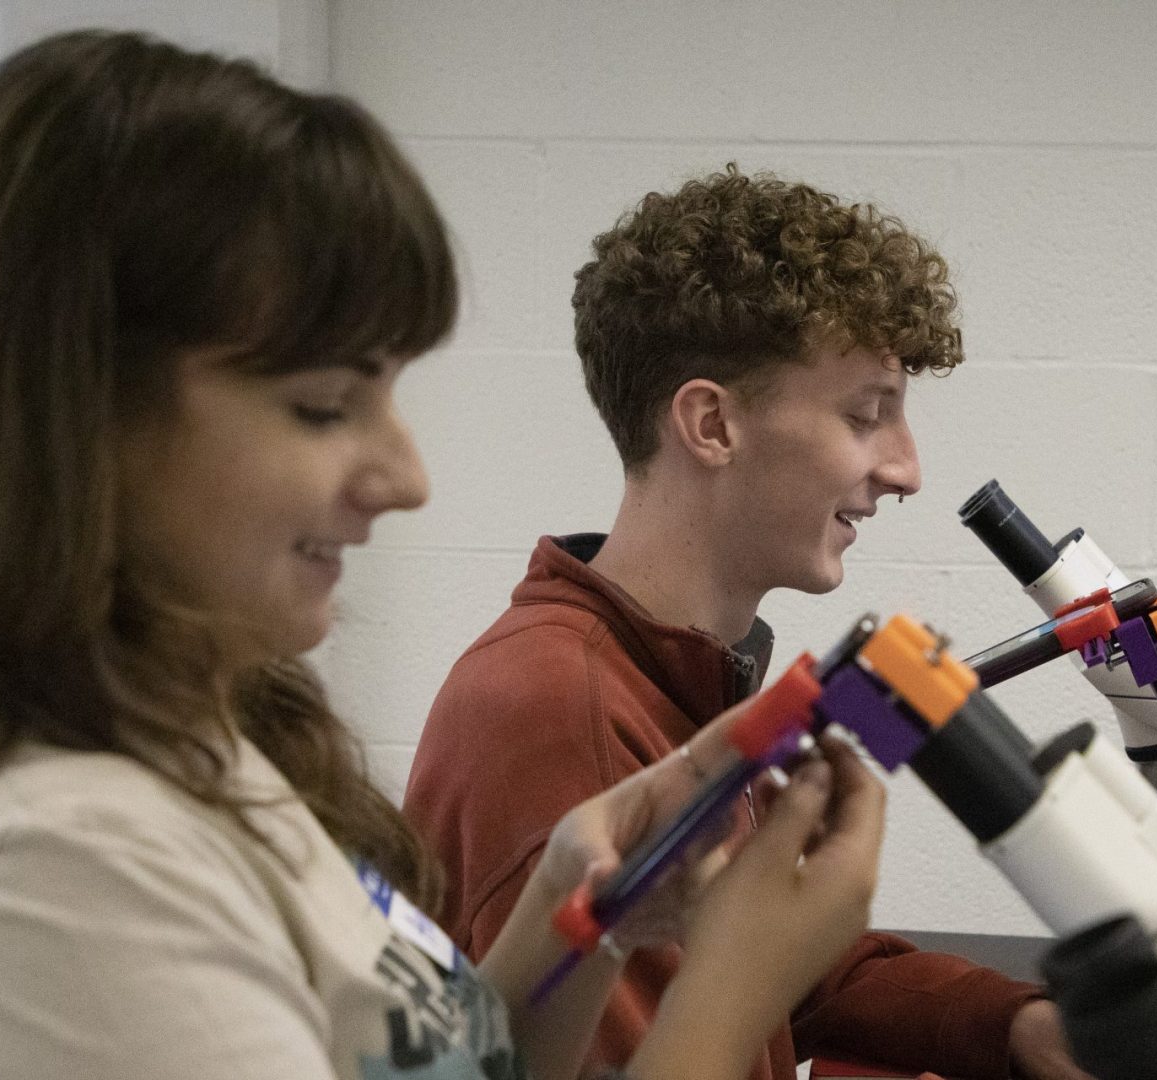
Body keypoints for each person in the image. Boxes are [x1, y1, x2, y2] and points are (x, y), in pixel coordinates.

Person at [0, 32, 886, 1080]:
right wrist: (733, 989)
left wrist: (572, 919)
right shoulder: (51, 872)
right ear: (68, 422)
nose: (405, 480)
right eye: (320, 407)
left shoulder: (190, 746)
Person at [406, 168, 1091, 1079]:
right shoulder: (561, 712)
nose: (906, 469)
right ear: (712, 425)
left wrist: (1018, 1027)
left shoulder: (671, 675)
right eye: (866, 414)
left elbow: (786, 981)